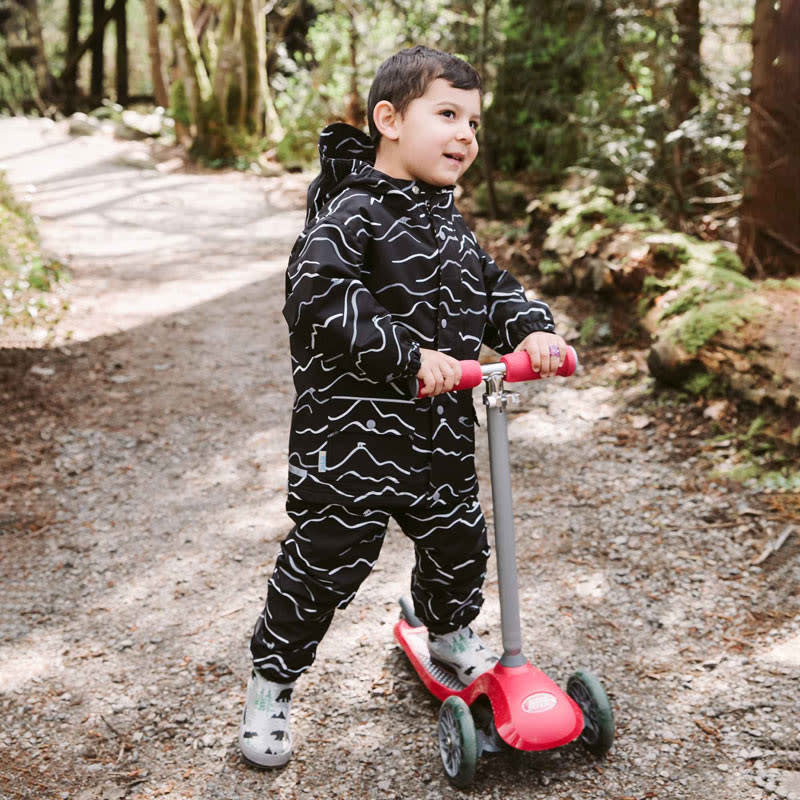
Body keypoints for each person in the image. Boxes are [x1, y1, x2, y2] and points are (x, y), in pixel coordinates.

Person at [239, 45, 568, 768]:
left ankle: (448, 632)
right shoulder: (351, 213)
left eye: (474, 123)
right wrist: (407, 355)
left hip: (438, 437)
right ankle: (272, 683)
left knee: (459, 544)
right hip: (349, 437)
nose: (465, 135)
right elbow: (319, 297)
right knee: (325, 562)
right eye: (447, 114)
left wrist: (532, 327)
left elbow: (492, 285)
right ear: (389, 119)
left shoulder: (449, 224)